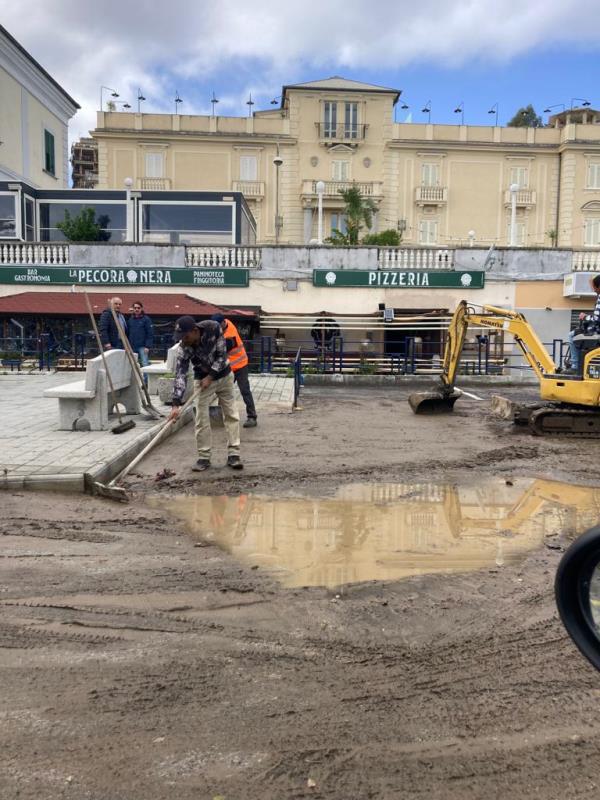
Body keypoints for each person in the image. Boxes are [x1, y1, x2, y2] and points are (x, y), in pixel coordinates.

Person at [168, 315, 243, 472]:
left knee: (231, 414)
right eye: (180, 337)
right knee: (201, 418)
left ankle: (234, 454)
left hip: (224, 376)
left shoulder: (213, 327)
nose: (183, 341)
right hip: (202, 380)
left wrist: (210, 376)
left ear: (195, 331)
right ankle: (204, 457)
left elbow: (222, 355)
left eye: (185, 336)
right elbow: (180, 374)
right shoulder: (183, 348)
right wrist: (175, 404)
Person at [211, 313, 257, 428]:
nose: (216, 329)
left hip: (240, 365)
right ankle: (221, 416)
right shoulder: (225, 323)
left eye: (218, 326)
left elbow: (220, 350)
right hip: (228, 367)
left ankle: (252, 417)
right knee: (223, 391)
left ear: (223, 323)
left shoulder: (230, 335)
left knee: (245, 390)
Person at [568, 275, 600, 374]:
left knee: (572, 336)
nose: (594, 290)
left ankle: (575, 366)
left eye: (594, 287)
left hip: (597, 333)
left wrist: (585, 317)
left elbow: (597, 319)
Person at [127, 301, 154, 369]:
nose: (136, 309)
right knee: (131, 364)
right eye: (135, 308)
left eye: (138, 308)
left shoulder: (146, 320)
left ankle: (146, 376)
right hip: (132, 346)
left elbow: (150, 333)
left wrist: (147, 346)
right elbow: (128, 333)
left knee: (145, 364)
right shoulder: (130, 320)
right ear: (133, 309)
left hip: (143, 347)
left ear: (141, 308)